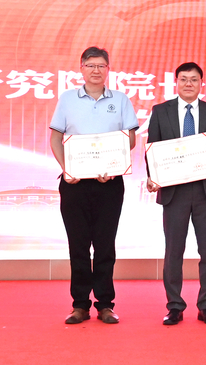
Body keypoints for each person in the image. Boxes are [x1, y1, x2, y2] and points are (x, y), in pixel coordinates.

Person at [49, 46, 138, 324]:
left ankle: (105, 304)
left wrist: (113, 166)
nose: (96, 70)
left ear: (108, 69)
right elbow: (55, 138)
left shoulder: (120, 99)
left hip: (109, 183)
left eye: (101, 66)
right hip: (74, 183)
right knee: (78, 246)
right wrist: (67, 168)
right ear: (81, 69)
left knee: (105, 246)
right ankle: (79, 305)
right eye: (90, 65)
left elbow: (130, 139)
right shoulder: (67, 99)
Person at [146, 62, 206, 325]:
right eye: (183, 79)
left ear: (202, 83)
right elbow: (152, 148)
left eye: (194, 79)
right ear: (176, 82)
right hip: (174, 191)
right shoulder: (161, 111)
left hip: (205, 191)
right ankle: (174, 306)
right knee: (174, 252)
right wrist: (153, 176)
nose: (189, 83)